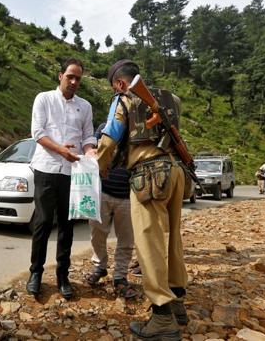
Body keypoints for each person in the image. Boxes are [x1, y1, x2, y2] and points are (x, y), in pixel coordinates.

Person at [96, 60, 188, 340]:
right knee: (173, 239)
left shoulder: (123, 98)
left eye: (115, 87)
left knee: (149, 243)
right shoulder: (172, 99)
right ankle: (177, 305)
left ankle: (161, 316)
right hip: (175, 172)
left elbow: (110, 137)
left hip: (148, 175)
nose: (116, 91)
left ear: (120, 83)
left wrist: (98, 166)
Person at [25, 58, 96, 300]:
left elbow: (88, 136)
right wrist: (61, 150)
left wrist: (90, 152)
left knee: (67, 226)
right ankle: (35, 273)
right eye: (70, 76)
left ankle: (63, 276)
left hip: (72, 172)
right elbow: (38, 133)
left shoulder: (84, 106)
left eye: (78, 78)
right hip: (46, 168)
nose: (74, 81)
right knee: (43, 222)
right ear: (60, 76)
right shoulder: (43, 99)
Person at [84, 122, 137, 299]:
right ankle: (100, 266)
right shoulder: (104, 128)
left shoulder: (138, 131)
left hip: (129, 196)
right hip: (102, 192)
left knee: (126, 240)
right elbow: (93, 152)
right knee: (97, 234)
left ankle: (120, 276)